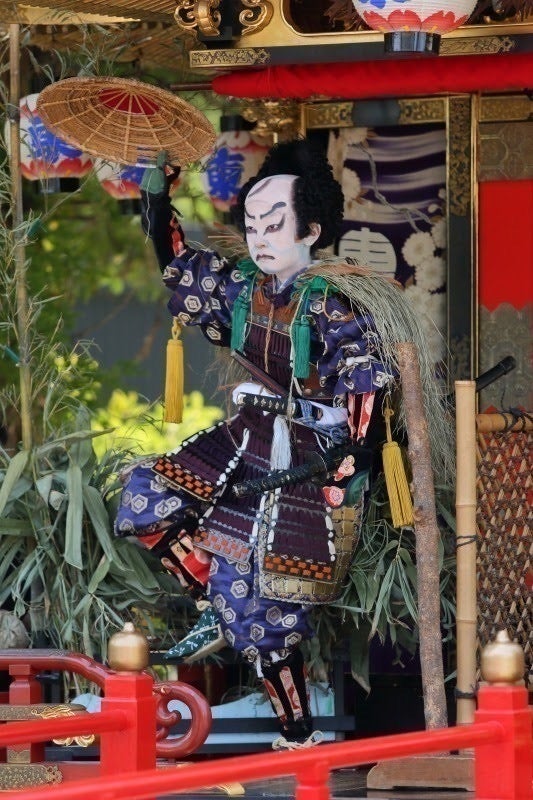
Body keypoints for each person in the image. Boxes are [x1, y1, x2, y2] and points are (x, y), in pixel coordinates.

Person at [114, 138, 449, 749]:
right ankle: (217, 599)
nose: (260, 238)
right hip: (248, 436)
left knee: (269, 617)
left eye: (274, 225)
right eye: (251, 226)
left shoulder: (334, 302)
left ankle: (297, 736)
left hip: (313, 453)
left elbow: (364, 379)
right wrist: (157, 201)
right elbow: (178, 264)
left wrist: (352, 457)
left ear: (311, 229)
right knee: (144, 499)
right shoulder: (242, 287)